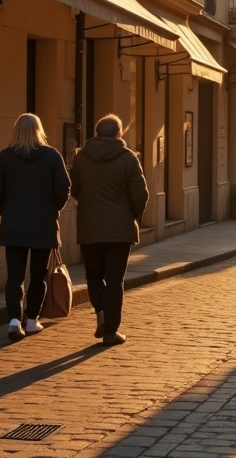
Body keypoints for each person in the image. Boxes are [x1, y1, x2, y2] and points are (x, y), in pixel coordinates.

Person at [0, 113, 71, 342]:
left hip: (14, 224)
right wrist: (55, 208)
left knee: (14, 275)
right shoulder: (52, 156)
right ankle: (32, 319)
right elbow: (64, 188)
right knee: (38, 274)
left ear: (17, 131)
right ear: (39, 130)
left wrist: (6, 208)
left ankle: (14, 320)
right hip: (43, 225)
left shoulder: (6, 156)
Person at [71, 114, 149, 346]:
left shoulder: (82, 158)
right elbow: (140, 194)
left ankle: (101, 314)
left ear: (96, 134)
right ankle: (110, 332)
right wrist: (133, 216)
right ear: (119, 134)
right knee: (114, 280)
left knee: (93, 275)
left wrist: (89, 206)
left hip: (90, 228)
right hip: (120, 229)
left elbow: (74, 188)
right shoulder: (128, 158)